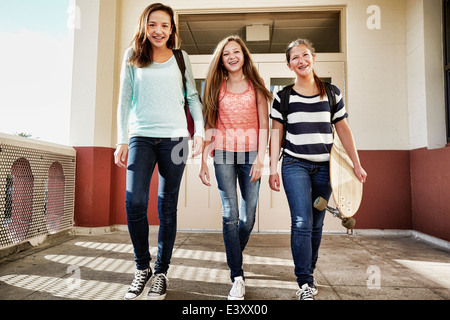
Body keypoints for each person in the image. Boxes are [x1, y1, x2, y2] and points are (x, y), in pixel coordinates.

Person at [114, 3, 204, 300]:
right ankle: (143, 267)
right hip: (141, 135)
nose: (158, 31)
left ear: (172, 29)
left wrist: (200, 133)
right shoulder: (132, 56)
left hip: (177, 140)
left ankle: (161, 272)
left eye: (165, 25)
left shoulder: (182, 58)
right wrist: (121, 139)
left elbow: (192, 97)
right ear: (144, 26)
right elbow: (124, 100)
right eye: (153, 24)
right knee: (135, 202)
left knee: (168, 206)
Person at [269, 38, 367, 300]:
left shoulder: (332, 92)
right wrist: (272, 169)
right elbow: (276, 135)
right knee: (302, 221)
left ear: (313, 58)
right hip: (294, 165)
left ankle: (308, 273)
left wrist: (357, 165)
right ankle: (304, 282)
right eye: (295, 58)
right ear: (289, 65)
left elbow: (343, 129)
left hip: (326, 168)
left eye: (305, 55)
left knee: (317, 223)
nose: (301, 61)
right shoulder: (283, 97)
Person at [199, 35, 272, 300]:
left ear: (244, 55)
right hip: (224, 154)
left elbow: (264, 122)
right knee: (230, 214)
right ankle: (237, 275)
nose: (232, 56)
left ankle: (233, 253)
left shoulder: (256, 85)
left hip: (252, 153)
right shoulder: (216, 85)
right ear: (221, 59)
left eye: (236, 52)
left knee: (248, 216)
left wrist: (262, 159)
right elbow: (210, 124)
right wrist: (205, 160)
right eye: (226, 53)